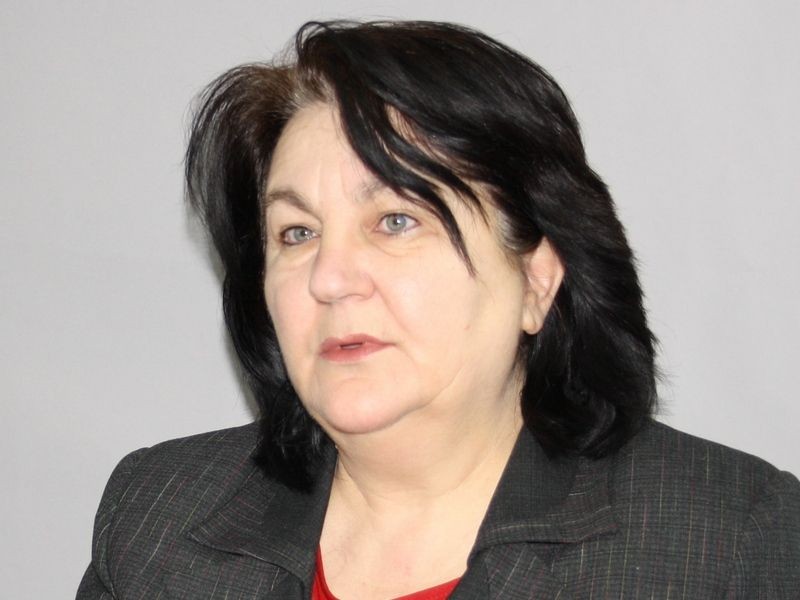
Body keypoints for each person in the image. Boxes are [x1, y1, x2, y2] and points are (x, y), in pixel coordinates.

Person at [76, 20, 800, 599]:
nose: (330, 277)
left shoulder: (728, 540)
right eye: (296, 233)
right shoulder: (157, 514)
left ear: (537, 280)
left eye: (395, 221)